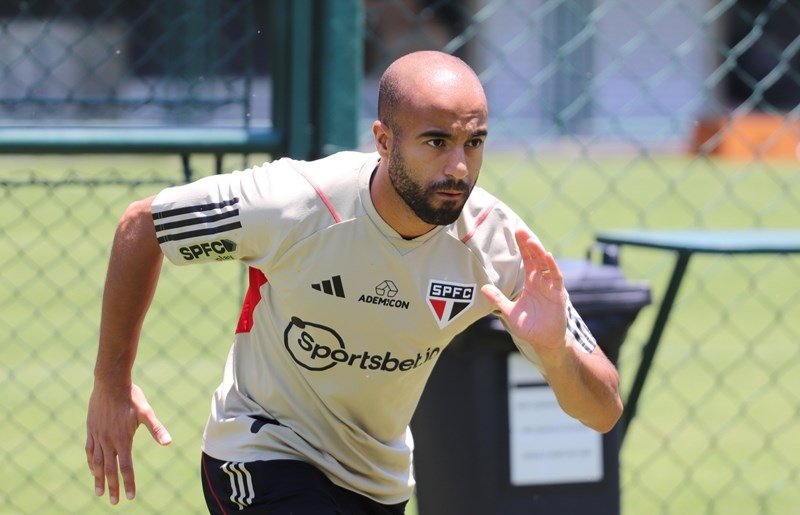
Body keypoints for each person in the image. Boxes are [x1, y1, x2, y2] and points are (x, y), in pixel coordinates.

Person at [86, 50, 623, 514]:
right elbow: (142, 226)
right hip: (263, 448)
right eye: (436, 142)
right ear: (384, 141)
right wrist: (112, 384)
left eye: (474, 143)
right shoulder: (295, 202)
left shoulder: (498, 245)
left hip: (377, 482)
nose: (459, 167)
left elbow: (602, 410)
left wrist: (555, 355)